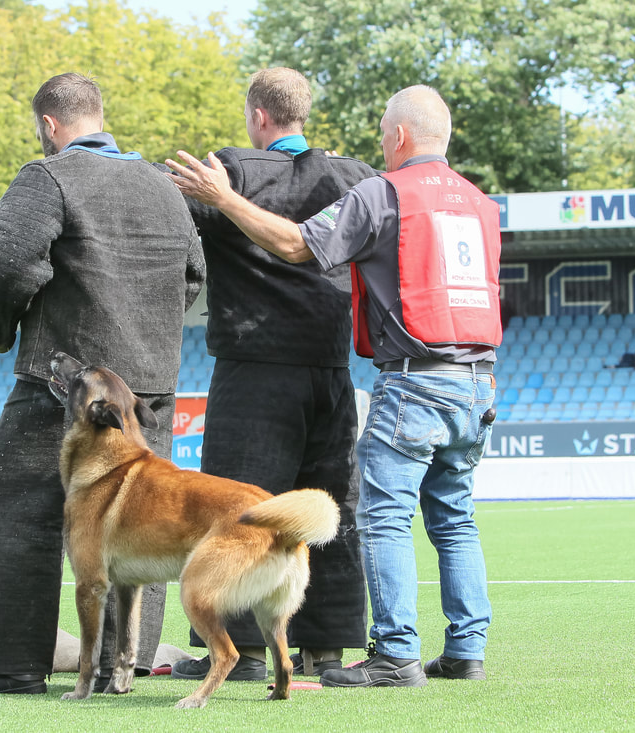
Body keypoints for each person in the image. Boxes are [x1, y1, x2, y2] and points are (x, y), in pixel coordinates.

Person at [168, 84, 500, 687]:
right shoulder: (477, 202)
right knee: (444, 518)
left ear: (400, 136)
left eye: (384, 133)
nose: (381, 144)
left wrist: (221, 196)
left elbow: (298, 244)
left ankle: (387, 653)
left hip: (397, 376)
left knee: (378, 517)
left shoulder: (385, 191)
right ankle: (455, 650)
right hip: (474, 379)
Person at [0, 72, 205, 696]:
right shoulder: (163, 186)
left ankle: (11, 667)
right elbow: (194, 274)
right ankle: (126, 664)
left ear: (49, 125)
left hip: (65, 387)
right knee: (138, 524)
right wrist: (146, 341)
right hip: (145, 393)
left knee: (14, 513)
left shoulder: (50, 176)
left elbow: (0, 260)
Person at [169, 67, 371, 683]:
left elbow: (169, 218)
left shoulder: (230, 171)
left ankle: (243, 651)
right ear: (301, 113)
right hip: (330, 366)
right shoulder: (354, 176)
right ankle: (326, 649)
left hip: (256, 366)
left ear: (259, 116)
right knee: (329, 507)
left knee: (240, 505)